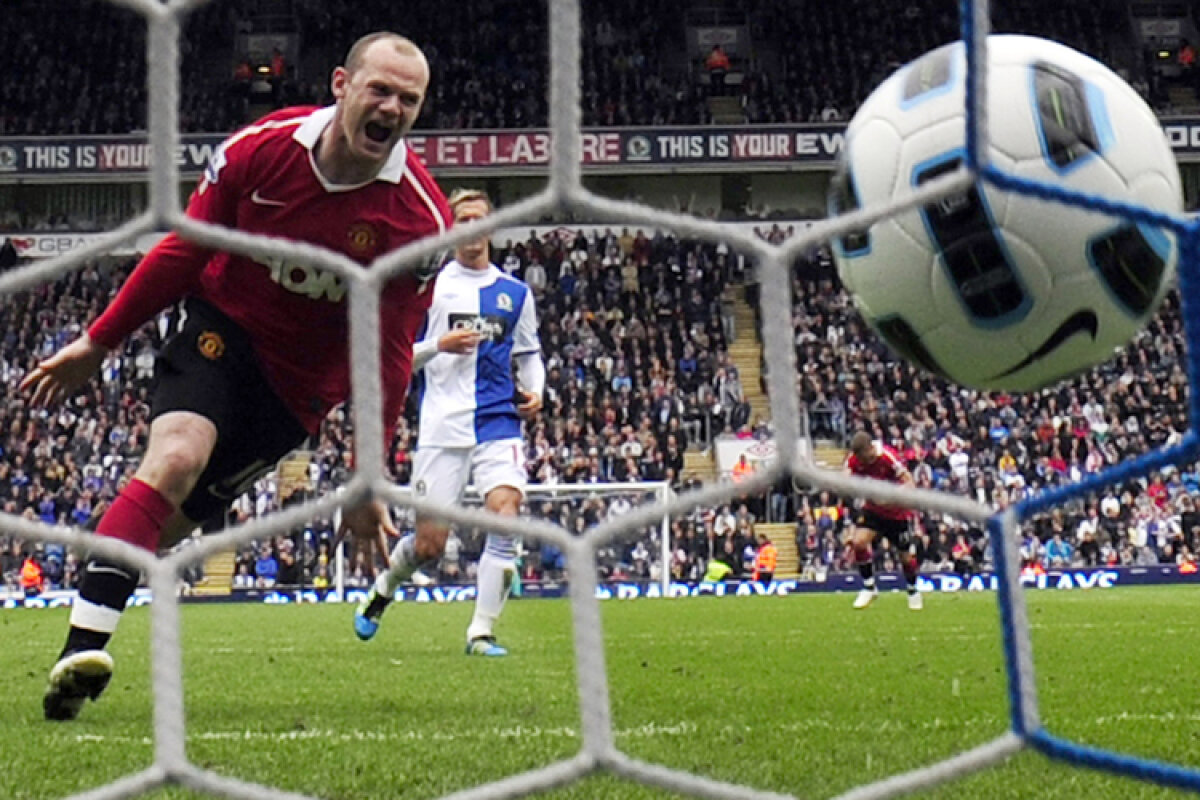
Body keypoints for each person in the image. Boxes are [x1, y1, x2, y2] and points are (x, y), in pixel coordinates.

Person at [22, 31, 452, 721]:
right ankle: (79, 659)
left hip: (298, 390)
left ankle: (99, 597)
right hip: (222, 327)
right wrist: (98, 342)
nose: (393, 108)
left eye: (410, 99)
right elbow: (185, 249)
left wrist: (367, 474)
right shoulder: (261, 150)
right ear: (341, 85)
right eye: (381, 89)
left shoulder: (418, 222)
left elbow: (391, 351)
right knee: (175, 458)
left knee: (161, 531)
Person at [353, 189, 544, 657]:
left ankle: (480, 632)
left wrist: (537, 389)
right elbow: (398, 357)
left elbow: (529, 352)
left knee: (505, 513)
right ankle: (384, 587)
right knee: (429, 546)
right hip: (442, 426)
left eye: (479, 219)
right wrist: (439, 344)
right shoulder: (430, 288)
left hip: (498, 420)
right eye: (461, 221)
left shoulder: (515, 293)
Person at [844, 430, 923, 611]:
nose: (860, 462)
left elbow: (910, 484)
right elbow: (845, 478)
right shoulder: (855, 460)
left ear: (870, 449)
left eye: (862, 457)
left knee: (905, 558)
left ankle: (912, 590)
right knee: (859, 542)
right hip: (873, 511)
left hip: (896, 513)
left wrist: (891, 498)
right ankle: (869, 587)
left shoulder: (888, 458)